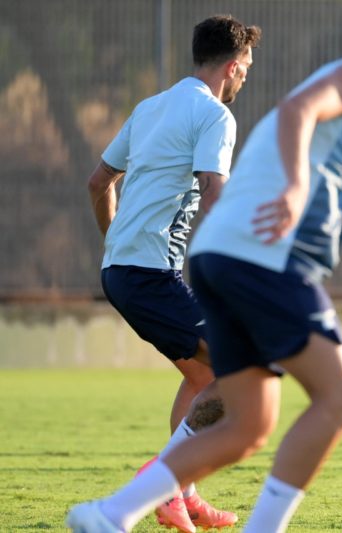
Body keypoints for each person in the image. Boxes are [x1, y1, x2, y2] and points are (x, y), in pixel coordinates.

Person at [66, 1, 342, 532]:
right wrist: (296, 184)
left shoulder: (154, 106)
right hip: (262, 258)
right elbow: (296, 111)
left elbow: (101, 181)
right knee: (340, 395)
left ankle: (110, 514)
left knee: (249, 422)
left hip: (219, 257)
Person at [80, 14, 260, 532]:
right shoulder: (215, 117)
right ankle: (161, 482)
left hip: (123, 269)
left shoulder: (150, 106)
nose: (245, 77)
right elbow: (213, 192)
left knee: (205, 376)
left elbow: (98, 182)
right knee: (239, 374)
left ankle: (184, 494)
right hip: (150, 274)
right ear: (231, 66)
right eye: (246, 67)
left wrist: (114, 241)